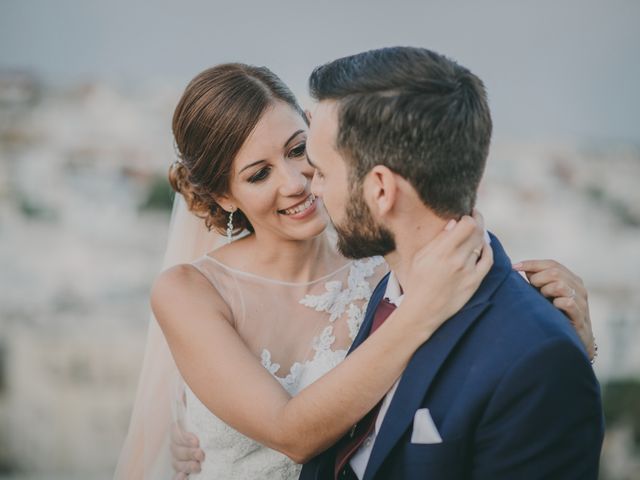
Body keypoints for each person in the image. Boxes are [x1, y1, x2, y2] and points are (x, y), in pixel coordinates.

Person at [115, 63, 595, 480]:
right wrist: (421, 311)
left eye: (298, 149)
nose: (295, 181)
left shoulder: (381, 262)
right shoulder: (190, 291)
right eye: (259, 174)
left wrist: (569, 339)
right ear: (223, 196)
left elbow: (491, 365)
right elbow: (291, 434)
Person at [294, 47, 603, 479]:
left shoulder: (537, 359)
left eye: (322, 172)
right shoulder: (388, 290)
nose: (315, 191)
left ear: (381, 189)